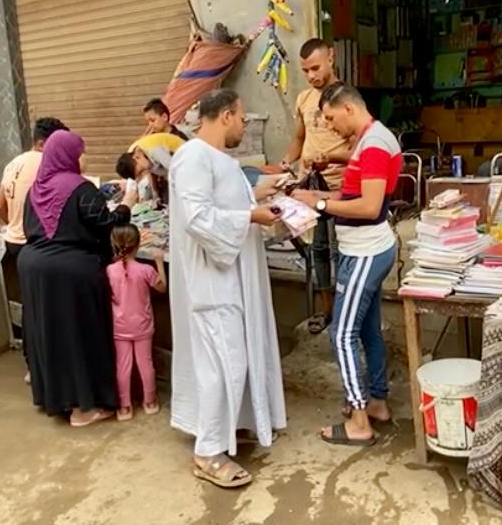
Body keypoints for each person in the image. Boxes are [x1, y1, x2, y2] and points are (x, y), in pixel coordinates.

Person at [169, 88, 286, 489]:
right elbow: (198, 218)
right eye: (241, 118)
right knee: (222, 364)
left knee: (235, 358)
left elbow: (223, 204)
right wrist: (251, 216)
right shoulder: (193, 157)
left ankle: (231, 427)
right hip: (213, 281)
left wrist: (258, 198)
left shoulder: (219, 159)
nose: (243, 126)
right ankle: (207, 453)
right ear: (225, 116)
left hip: (233, 278)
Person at [293, 83, 401, 447]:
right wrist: (316, 196)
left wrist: (321, 205)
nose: (328, 126)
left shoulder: (373, 144)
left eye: (330, 118)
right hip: (365, 248)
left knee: (341, 334)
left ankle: (358, 420)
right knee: (367, 330)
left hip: (365, 252)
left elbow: (368, 207)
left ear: (348, 109)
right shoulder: (368, 139)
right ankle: (377, 402)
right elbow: (351, 193)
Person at [18, 130, 130, 427]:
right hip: (70, 272)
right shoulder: (80, 188)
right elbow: (106, 225)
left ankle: (56, 399)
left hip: (34, 268)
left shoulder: (35, 190)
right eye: (82, 152)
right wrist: (126, 206)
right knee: (80, 335)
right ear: (69, 155)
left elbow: (30, 229)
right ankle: (84, 408)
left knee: (51, 334)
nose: (85, 157)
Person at [281, 39, 352, 334]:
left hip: (342, 186)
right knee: (318, 249)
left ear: (331, 58)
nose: (311, 76)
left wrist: (331, 158)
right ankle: (326, 309)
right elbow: (299, 139)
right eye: (305, 70)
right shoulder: (304, 99)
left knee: (341, 251)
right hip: (312, 187)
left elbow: (358, 146)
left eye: (315, 68)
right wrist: (286, 164)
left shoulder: (347, 98)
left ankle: (346, 311)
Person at [0, 117, 68, 382]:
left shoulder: (13, 163)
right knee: (50, 307)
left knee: (31, 306)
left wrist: (13, 225)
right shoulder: (46, 163)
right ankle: (52, 367)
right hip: (38, 244)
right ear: (46, 142)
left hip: (15, 243)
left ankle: (32, 365)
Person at [107, 223, 166, 422]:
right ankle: (150, 401)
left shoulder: (109, 271)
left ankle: (124, 406)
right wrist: (159, 262)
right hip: (142, 326)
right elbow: (162, 288)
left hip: (119, 327)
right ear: (138, 244)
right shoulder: (145, 270)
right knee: (145, 364)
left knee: (122, 366)